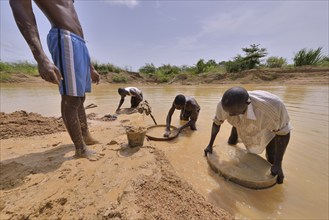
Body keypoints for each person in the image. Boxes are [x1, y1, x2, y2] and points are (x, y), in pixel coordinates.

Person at [10, 0, 101, 160]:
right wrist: (40, 57)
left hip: (80, 43)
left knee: (80, 97)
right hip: (64, 37)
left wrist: (90, 66)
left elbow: (75, 22)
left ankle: (85, 135)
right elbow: (20, 7)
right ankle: (80, 148)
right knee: (71, 98)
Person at [204, 87, 292, 184]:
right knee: (232, 141)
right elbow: (217, 123)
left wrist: (278, 163)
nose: (230, 115)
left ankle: (275, 170)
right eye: (229, 113)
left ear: (247, 103)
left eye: (234, 113)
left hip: (266, 126)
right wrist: (210, 144)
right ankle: (235, 135)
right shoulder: (223, 105)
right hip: (239, 122)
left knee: (271, 155)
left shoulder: (272, 108)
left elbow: (283, 134)